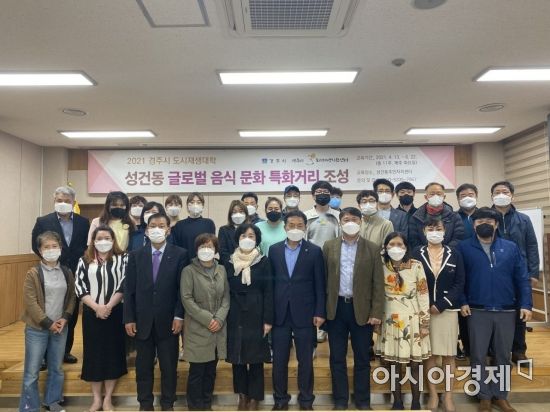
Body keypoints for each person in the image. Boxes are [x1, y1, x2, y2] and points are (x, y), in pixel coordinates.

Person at [458, 207, 532, 412]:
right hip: (476, 310)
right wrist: (462, 301)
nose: (485, 225)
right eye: (480, 221)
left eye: (489, 222)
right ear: (473, 225)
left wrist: (526, 304)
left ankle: (501, 396)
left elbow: (522, 278)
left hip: (506, 310)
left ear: (496, 224)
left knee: (503, 355)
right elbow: (460, 279)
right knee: (478, 355)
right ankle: (483, 396)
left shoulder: (510, 247)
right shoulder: (464, 247)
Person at [124, 213, 189, 411]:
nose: (157, 229)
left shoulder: (180, 254)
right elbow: (129, 289)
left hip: (169, 321)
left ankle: (168, 403)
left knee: (169, 367)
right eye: (153, 225)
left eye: (161, 225)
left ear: (168, 230)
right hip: (142, 321)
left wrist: (179, 315)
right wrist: (129, 318)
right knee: (143, 367)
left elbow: (182, 289)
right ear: (146, 230)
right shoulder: (136, 255)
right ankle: (145, 404)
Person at [322, 207, 384, 410]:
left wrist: (376, 312)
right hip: (336, 308)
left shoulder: (372, 248)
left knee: (363, 358)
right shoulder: (329, 246)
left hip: (362, 310)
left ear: (360, 222)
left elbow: (378, 283)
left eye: (354, 219)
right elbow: (323, 279)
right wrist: (322, 311)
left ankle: (363, 400)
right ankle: (340, 400)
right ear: (340, 223)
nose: (350, 222)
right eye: (346, 219)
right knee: (337, 357)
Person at [269, 210, 326, 411]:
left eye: (299, 225)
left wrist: (320, 312)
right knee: (279, 361)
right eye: (291, 225)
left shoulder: (315, 251)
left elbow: (320, 284)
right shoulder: (274, 250)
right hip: (280, 313)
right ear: (284, 227)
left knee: (306, 361)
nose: (295, 228)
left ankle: (306, 400)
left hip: (306, 313)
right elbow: (270, 284)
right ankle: (280, 399)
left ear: (305, 227)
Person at [31, 186, 89, 364]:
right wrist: (50, 260)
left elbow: (86, 246)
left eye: (67, 201)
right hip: (51, 270)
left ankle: (65, 351)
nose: (63, 203)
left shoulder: (83, 222)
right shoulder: (43, 221)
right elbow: (35, 244)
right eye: (59, 200)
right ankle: (44, 355)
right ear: (54, 201)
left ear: (73, 202)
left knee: (70, 312)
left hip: (75, 274)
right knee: (48, 309)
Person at [20, 231, 76, 412]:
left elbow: (71, 297)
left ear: (60, 248)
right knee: (32, 372)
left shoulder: (67, 272)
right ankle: (29, 407)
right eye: (46, 247)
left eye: (54, 246)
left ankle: (52, 401)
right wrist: (48, 323)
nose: (51, 250)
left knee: (56, 368)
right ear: (39, 250)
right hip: (37, 329)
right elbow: (30, 302)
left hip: (60, 328)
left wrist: (65, 318)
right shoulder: (33, 273)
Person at [413, 217, 465, 412]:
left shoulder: (454, 253)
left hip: (447, 311)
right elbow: (412, 280)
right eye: (430, 228)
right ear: (424, 231)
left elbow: (460, 282)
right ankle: (433, 394)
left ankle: (448, 395)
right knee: (430, 355)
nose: (434, 232)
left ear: (445, 231)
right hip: (423, 310)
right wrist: (425, 305)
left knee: (449, 355)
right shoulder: (416, 252)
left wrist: (442, 304)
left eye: (438, 228)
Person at [375, 232, 431, 410]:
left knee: (415, 364)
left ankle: (415, 402)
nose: (395, 248)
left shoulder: (416, 265)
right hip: (389, 321)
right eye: (391, 244)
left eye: (400, 244)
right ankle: (397, 401)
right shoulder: (380, 265)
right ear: (385, 247)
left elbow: (423, 295)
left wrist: (424, 323)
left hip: (412, 320)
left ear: (406, 247)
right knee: (393, 365)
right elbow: (375, 293)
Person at [75, 225, 128, 412]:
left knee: (113, 354)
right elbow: (80, 286)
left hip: (115, 312)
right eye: (99, 238)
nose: (103, 241)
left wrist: (109, 306)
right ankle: (96, 399)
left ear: (113, 241)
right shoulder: (84, 260)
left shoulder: (123, 259)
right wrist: (97, 307)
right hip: (92, 313)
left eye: (107, 238)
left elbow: (125, 284)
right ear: (93, 241)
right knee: (94, 355)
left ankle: (108, 399)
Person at [224, 224, 273, 411]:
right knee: (237, 358)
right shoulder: (229, 262)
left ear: (257, 239)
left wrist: (268, 319)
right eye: (243, 235)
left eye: (251, 236)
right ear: (237, 238)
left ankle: (255, 397)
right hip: (234, 312)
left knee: (255, 358)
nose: (247, 238)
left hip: (257, 311)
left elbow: (269, 291)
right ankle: (242, 395)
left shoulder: (263, 261)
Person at [490, 181, 539, 363]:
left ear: (512, 195)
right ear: (492, 196)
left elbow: (532, 246)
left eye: (505, 191)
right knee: (495, 313)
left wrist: (533, 273)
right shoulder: (487, 217)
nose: (501, 195)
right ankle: (495, 351)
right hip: (495, 272)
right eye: (497, 192)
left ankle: (519, 350)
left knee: (520, 312)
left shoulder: (523, 219)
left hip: (520, 272)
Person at [181, 233, 230, 411]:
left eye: (210, 246)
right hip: (198, 327)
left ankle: (206, 404)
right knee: (197, 371)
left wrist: (219, 318)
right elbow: (187, 299)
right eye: (203, 246)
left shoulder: (222, 269)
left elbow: (226, 298)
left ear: (216, 250)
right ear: (196, 250)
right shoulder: (188, 271)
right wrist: (208, 319)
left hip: (218, 328)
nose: (206, 250)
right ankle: (195, 406)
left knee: (210, 370)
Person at [455, 183, 479, 360]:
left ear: (476, 196)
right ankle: (467, 347)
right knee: (462, 310)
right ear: (457, 199)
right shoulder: (454, 217)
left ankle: (485, 348)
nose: (467, 198)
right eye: (463, 195)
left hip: (480, 266)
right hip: (460, 265)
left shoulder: (484, 215)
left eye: (470, 194)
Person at [408, 182, 465, 249]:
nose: (436, 196)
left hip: (450, 253)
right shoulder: (416, 217)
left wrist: (445, 251)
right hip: (423, 253)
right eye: (432, 194)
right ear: (426, 197)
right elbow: (414, 240)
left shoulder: (454, 216)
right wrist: (426, 252)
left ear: (444, 197)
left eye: (439, 194)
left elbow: (458, 237)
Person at [172, 192, 216, 259]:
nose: (195, 205)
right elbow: (176, 248)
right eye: (192, 202)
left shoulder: (209, 223)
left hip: (204, 260)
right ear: (187, 206)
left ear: (203, 206)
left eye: (198, 202)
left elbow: (212, 244)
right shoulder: (179, 225)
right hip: (184, 262)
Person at [304, 181, 341, 248]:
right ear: (313, 196)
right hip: (312, 253)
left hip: (332, 253)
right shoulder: (305, 216)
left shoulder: (338, 215)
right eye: (319, 191)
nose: (322, 194)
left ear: (330, 196)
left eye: (326, 191)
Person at [218, 200, 249, 266]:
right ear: (230, 215)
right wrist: (236, 263)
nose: (238, 215)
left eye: (241, 211)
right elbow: (223, 252)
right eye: (234, 212)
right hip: (229, 267)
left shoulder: (251, 230)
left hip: (248, 266)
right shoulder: (224, 230)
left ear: (246, 214)